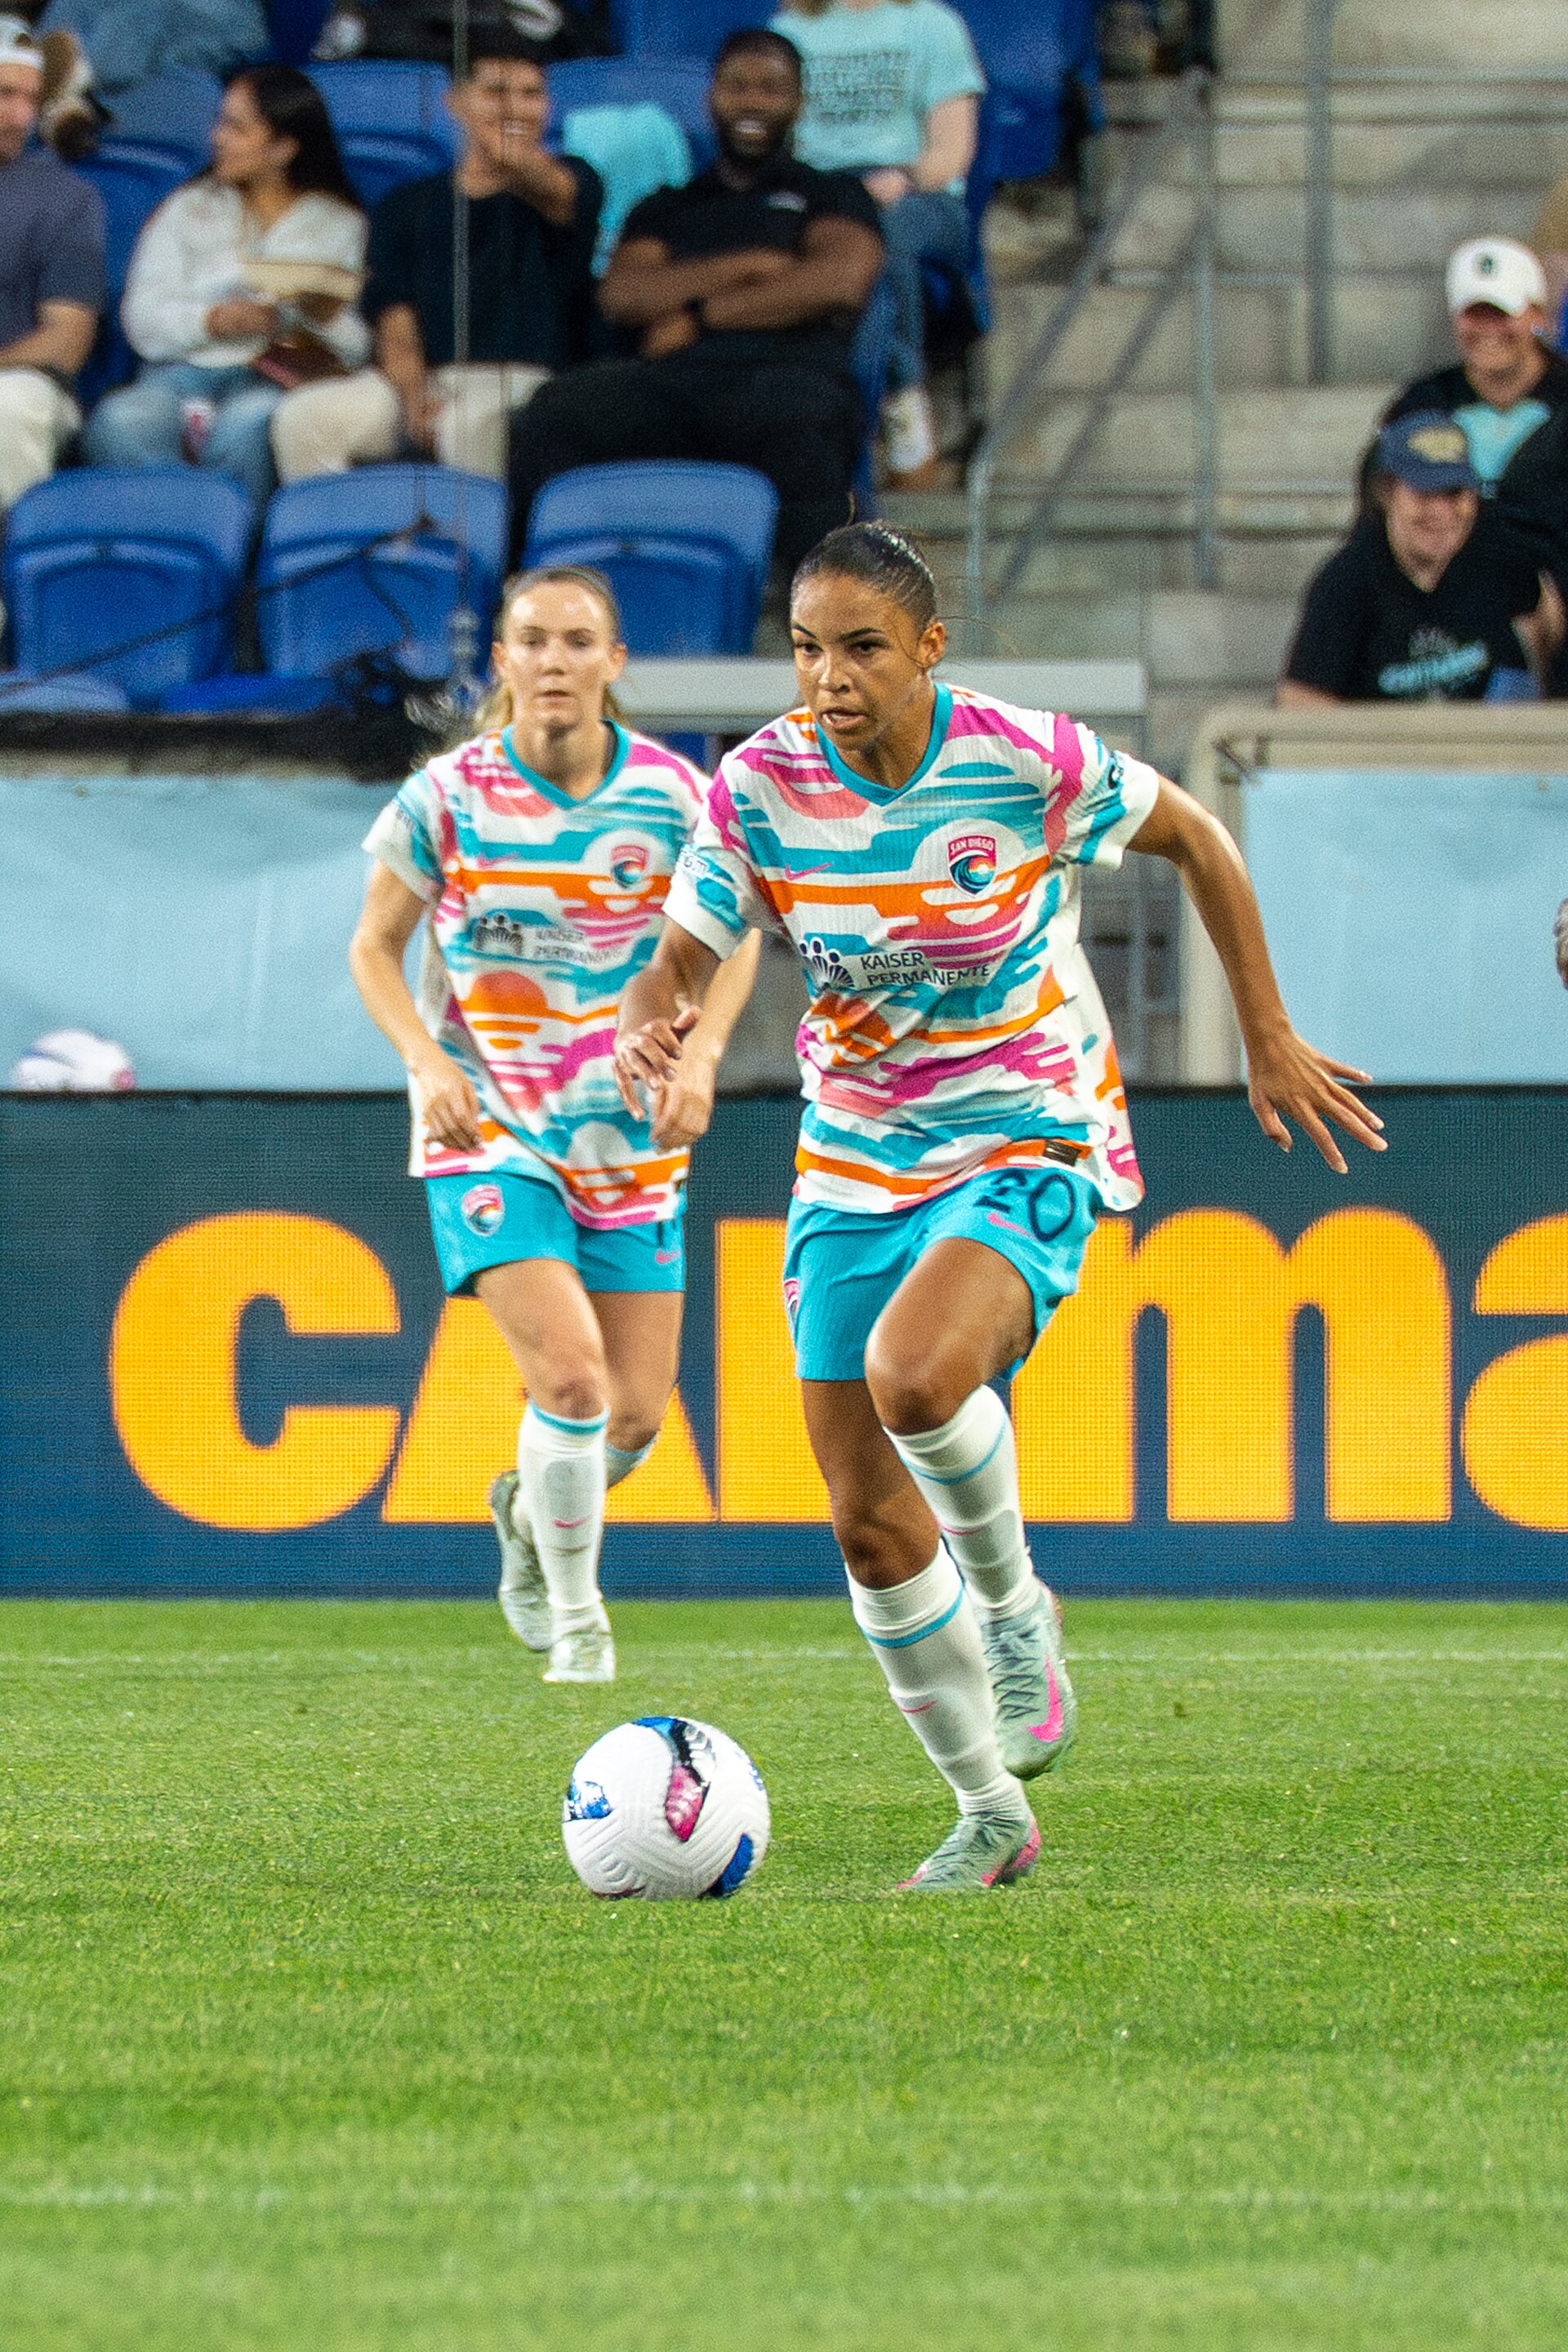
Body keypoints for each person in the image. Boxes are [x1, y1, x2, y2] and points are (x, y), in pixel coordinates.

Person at [615, 523, 1385, 1892]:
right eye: (805, 647)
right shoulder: (758, 787)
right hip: (853, 1148)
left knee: (915, 1376)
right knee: (863, 1517)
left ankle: (1018, 1606)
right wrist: (649, 1029)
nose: (828, 675)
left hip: (1027, 1118)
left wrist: (1265, 1032)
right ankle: (988, 1811)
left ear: (928, 647)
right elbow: (678, 955)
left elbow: (1197, 838)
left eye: (860, 646)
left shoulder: (1024, 758)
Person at [349, 566, 760, 1685]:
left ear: (613, 664)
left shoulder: (677, 797)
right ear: (505, 663)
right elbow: (374, 948)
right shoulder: (446, 797)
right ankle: (578, 1624)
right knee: (570, 1384)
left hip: (626, 1140)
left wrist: (706, 1052)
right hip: (490, 1130)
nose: (554, 662)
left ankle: (527, 1511)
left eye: (579, 642)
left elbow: (743, 931)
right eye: (532, 640)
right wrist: (426, 1061)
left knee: (631, 1421)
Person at [508, 28, 883, 585]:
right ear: (711, 97)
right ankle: (530, 598)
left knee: (804, 427)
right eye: (736, 86)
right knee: (554, 411)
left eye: (771, 88)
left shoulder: (833, 194)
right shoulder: (668, 205)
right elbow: (624, 295)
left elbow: (837, 282)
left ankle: (822, 626)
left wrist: (699, 315)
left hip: (784, 380)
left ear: (799, 103)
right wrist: (754, 265)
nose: (752, 101)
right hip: (672, 383)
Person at [272, 29, 600, 488]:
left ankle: (482, 560)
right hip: (425, 378)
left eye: (532, 94)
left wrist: (504, 137)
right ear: (456, 102)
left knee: (468, 426)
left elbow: (555, 189)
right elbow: (395, 318)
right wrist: (413, 395)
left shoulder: (572, 182)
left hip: (525, 383)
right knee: (305, 418)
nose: (516, 108)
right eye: (495, 92)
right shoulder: (405, 205)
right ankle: (338, 551)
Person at [82, 65, 368, 516]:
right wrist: (212, 320)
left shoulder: (339, 225)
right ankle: (175, 536)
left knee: (248, 426)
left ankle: (230, 559)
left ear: (283, 147)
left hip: (277, 375)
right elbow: (143, 314)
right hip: (182, 369)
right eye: (221, 122)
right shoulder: (188, 207)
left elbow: (359, 346)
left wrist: (313, 316)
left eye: (236, 127)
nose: (217, 137)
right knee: (122, 420)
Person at [768, 0, 984, 487]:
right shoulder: (791, 28)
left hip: (918, 192)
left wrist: (902, 179)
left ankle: (898, 400)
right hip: (823, 197)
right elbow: (779, 150)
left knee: (877, 243)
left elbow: (951, 152)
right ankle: (882, 407)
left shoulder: (934, 25)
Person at [1281, 412, 1563, 706]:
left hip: (1488, 745)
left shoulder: (1498, 557)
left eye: (1455, 493)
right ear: (1386, 492)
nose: (1442, 512)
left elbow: (1546, 622)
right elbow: (1300, 704)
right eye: (1424, 493)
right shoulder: (1347, 582)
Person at [1381, 238, 1568, 591]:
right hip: (1444, 599)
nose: (1487, 329)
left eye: (1502, 313)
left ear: (1538, 316)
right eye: (1474, 314)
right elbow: (1378, 510)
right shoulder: (1422, 404)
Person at [0, 13, 104, 517]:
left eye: (31, 99)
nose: (22, 117)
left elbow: (67, 341)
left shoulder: (67, 199)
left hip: (21, 384)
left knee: (11, 406)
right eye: (5, 95)